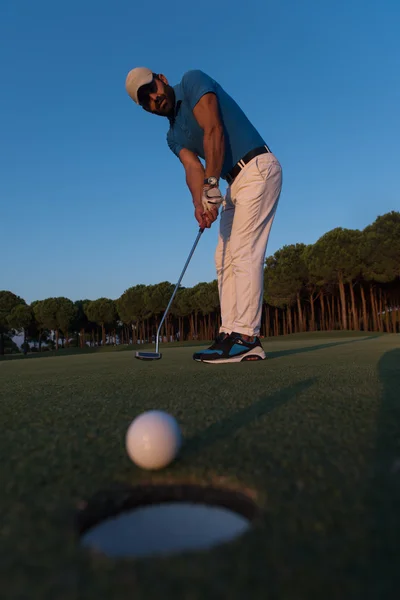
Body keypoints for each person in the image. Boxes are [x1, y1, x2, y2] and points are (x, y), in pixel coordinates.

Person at [125, 67, 282, 364]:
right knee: (223, 256)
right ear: (144, 109)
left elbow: (214, 130)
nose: (155, 98)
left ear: (162, 78)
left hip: (257, 168)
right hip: (234, 184)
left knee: (243, 250)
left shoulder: (192, 81)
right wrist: (200, 204)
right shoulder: (172, 136)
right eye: (146, 100)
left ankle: (247, 337)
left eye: (152, 88)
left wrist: (211, 185)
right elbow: (192, 168)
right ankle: (229, 333)